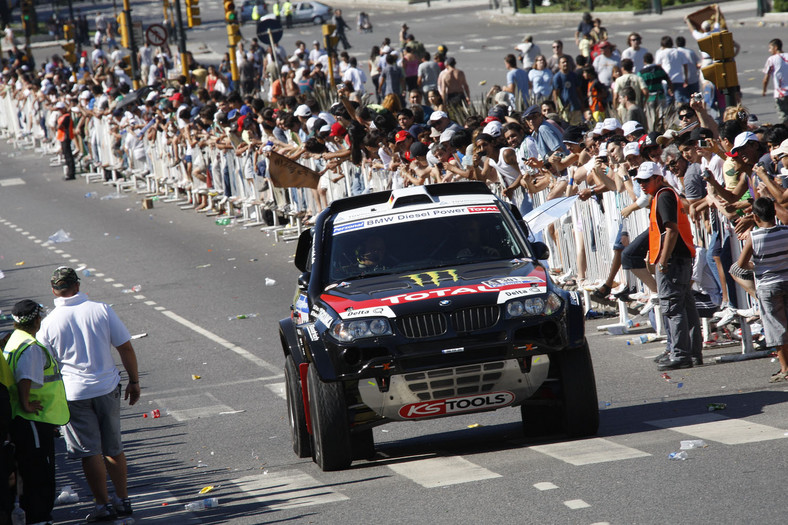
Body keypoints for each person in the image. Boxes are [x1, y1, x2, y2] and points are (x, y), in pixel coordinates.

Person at [37, 267, 141, 523]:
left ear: (54, 290)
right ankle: (123, 500)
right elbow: (125, 347)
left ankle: (103, 505)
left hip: (73, 394)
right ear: (78, 286)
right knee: (114, 448)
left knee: (89, 452)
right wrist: (134, 381)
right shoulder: (101, 310)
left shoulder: (49, 323)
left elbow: (41, 363)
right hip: (107, 388)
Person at [3, 300, 69, 525]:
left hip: (20, 417)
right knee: (39, 470)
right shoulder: (31, 346)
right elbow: (25, 378)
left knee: (27, 469)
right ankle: (39, 517)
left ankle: (33, 514)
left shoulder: (13, 339)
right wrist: (27, 403)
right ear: (37, 320)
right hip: (32, 418)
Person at [634, 162, 702, 370]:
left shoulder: (663, 196)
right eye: (640, 181)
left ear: (657, 178)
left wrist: (662, 260)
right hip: (680, 257)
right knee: (685, 306)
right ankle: (691, 353)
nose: (642, 184)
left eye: (646, 180)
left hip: (673, 260)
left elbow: (671, 231)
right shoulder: (666, 194)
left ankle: (681, 355)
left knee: (673, 307)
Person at [738, 198, 788, 381]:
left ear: (755, 217)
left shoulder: (754, 236)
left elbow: (742, 263)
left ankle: (785, 368)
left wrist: (756, 266)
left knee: (776, 327)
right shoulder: (785, 231)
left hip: (767, 285)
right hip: (786, 279)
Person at [761, 38, 788, 124]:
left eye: (770, 48)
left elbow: (766, 78)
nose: (769, 50)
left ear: (775, 48)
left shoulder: (772, 59)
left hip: (781, 94)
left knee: (784, 118)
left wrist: (764, 90)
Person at [56, 100, 76, 180]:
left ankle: (71, 173)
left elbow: (60, 126)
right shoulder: (62, 116)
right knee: (66, 155)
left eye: (61, 109)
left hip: (66, 137)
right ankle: (69, 172)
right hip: (62, 137)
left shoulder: (66, 116)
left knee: (68, 155)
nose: (59, 111)